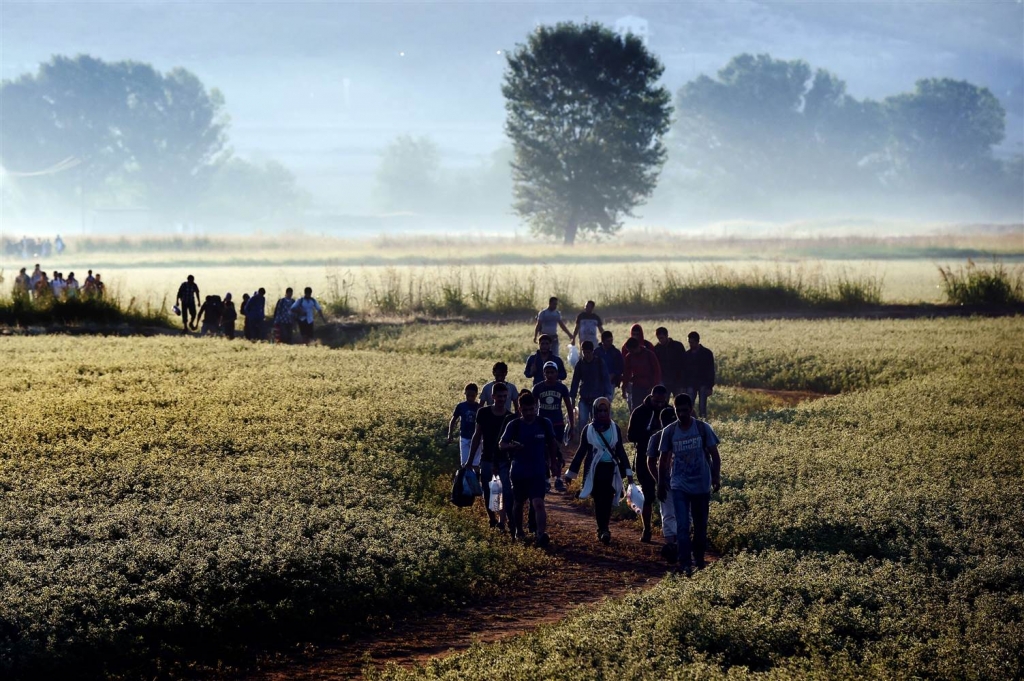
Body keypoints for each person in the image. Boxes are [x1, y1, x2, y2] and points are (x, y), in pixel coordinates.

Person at [656, 393, 721, 576]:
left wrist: (716, 477)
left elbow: (715, 455)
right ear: (675, 410)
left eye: (685, 410)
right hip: (679, 485)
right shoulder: (669, 432)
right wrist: (661, 483)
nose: (682, 414)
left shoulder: (702, 428)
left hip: (701, 485)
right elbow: (663, 460)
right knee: (683, 526)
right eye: (678, 411)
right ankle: (685, 564)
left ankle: (699, 560)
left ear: (691, 410)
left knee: (700, 527)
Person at [565, 397, 634, 544]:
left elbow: (620, 450)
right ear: (595, 411)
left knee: (608, 499)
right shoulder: (588, 429)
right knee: (598, 499)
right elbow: (581, 452)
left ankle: (605, 528)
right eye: (599, 410)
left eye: (605, 410)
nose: (602, 413)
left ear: (609, 410)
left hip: (611, 470)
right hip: (595, 471)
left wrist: (629, 474)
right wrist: (571, 474)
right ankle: (602, 529)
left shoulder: (614, 428)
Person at [499, 392, 558, 547]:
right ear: (520, 409)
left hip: (538, 471)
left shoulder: (544, 423)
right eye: (526, 410)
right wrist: (512, 446)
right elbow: (502, 444)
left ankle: (540, 535)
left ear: (536, 407)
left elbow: (552, 444)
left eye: (532, 409)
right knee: (518, 503)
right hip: (519, 471)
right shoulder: (514, 425)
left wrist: (553, 463)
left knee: (538, 503)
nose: (529, 413)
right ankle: (519, 530)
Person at [470, 382, 516, 530]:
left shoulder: (510, 418)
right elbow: (477, 436)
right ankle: (492, 518)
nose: (502, 399)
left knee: (504, 491)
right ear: (493, 396)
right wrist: (470, 460)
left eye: (504, 396)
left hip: (503, 460)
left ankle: (502, 522)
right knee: (489, 491)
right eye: (499, 396)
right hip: (487, 458)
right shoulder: (483, 413)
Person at [627, 385, 670, 543]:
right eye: (656, 401)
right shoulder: (639, 412)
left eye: (662, 402)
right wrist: (648, 434)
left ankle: (669, 531)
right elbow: (631, 435)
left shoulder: (669, 412)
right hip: (643, 457)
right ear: (651, 397)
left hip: (666, 459)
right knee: (649, 495)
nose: (659, 405)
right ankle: (647, 529)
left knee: (668, 496)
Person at [533, 361, 574, 491]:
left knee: (556, 450)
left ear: (557, 373)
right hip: (542, 423)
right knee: (543, 451)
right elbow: (533, 408)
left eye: (552, 372)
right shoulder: (538, 388)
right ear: (544, 373)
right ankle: (545, 479)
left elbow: (569, 407)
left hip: (557, 424)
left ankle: (558, 479)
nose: (550, 375)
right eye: (547, 372)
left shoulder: (561, 388)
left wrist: (572, 425)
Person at [648, 406, 679, 562]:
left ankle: (676, 544)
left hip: (679, 482)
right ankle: (671, 545)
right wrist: (659, 481)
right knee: (668, 514)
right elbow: (651, 462)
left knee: (675, 514)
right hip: (666, 483)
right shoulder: (657, 437)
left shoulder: (680, 435)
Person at [569, 340, 612, 429]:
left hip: (598, 398)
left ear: (592, 351)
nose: (586, 355)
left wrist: (608, 395)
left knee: (598, 422)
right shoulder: (580, 364)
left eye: (588, 352)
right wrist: (572, 397)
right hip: (584, 398)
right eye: (584, 352)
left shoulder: (600, 363)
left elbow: (606, 379)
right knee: (582, 422)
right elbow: (575, 382)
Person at [621, 336, 662, 412]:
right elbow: (627, 373)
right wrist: (624, 387)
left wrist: (654, 386)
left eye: (632, 351)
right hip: (636, 387)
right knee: (636, 410)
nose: (631, 352)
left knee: (650, 409)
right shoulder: (629, 357)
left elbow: (657, 371)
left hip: (649, 387)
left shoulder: (649, 355)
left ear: (637, 347)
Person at [448, 383, 482, 470]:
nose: (470, 398)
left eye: (473, 396)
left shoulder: (479, 408)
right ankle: (466, 482)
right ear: (465, 394)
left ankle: (475, 482)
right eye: (468, 395)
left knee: (475, 464)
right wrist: (450, 433)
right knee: (464, 464)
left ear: (476, 395)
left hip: (477, 438)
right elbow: (453, 419)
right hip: (464, 437)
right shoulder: (461, 406)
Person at [684, 331, 716, 419]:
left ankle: (702, 423)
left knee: (702, 407)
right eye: (689, 342)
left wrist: (710, 386)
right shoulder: (687, 355)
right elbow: (684, 371)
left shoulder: (707, 353)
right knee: (689, 406)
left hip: (703, 383)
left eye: (692, 342)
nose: (690, 344)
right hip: (691, 383)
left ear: (697, 341)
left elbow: (711, 370)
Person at [654, 327, 687, 399]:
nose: (660, 340)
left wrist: (683, 381)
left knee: (679, 402)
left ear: (667, 336)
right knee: (663, 403)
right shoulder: (657, 349)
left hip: (678, 380)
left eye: (662, 338)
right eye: (659, 338)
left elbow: (684, 364)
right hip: (664, 381)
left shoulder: (678, 346)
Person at [595, 330, 624, 397]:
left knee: (607, 401)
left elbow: (621, 366)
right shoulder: (597, 352)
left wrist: (613, 374)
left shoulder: (616, 353)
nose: (610, 343)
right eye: (608, 341)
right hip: (598, 382)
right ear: (603, 341)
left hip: (611, 382)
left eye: (611, 340)